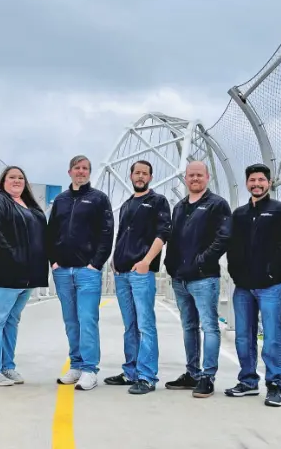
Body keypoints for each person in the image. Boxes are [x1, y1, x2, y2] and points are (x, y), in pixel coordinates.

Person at [224, 163, 281, 407]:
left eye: (261, 180)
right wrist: (235, 272)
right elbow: (231, 246)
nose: (256, 184)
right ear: (247, 183)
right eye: (252, 180)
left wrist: (271, 269)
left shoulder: (280, 210)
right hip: (243, 286)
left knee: (272, 336)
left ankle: (275, 384)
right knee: (243, 336)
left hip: (270, 286)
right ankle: (248, 380)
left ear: (269, 182)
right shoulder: (239, 214)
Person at [0, 166, 49, 386]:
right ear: (3, 181)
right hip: (1, 274)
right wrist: (14, 257)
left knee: (11, 322)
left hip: (24, 277)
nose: (17, 180)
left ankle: (7, 366)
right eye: (11, 177)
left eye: (21, 177)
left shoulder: (31, 207)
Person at [164, 160, 231, 398]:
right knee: (188, 327)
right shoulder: (180, 206)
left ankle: (208, 377)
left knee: (209, 327)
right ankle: (192, 373)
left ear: (207, 177)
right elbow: (173, 239)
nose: (195, 179)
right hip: (180, 279)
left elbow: (223, 238)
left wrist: (202, 260)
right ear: (185, 178)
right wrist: (170, 265)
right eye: (190, 175)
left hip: (204, 278)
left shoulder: (217, 204)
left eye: (199, 175)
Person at [47, 155, 114, 391]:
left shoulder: (98, 199)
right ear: (69, 172)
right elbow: (51, 231)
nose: (81, 172)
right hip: (63, 271)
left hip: (87, 271)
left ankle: (89, 369)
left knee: (87, 320)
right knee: (71, 321)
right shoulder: (61, 200)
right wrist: (53, 261)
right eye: (77, 168)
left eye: (85, 168)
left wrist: (95, 264)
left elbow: (107, 234)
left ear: (89, 172)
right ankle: (75, 365)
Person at [104, 160, 171, 395]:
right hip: (121, 272)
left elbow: (163, 233)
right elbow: (122, 234)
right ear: (131, 176)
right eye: (137, 173)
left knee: (145, 325)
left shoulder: (158, 201)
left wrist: (146, 261)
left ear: (150, 177)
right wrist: (114, 258)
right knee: (129, 326)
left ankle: (147, 376)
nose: (140, 176)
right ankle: (130, 371)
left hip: (141, 273)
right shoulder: (126, 204)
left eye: (145, 173)